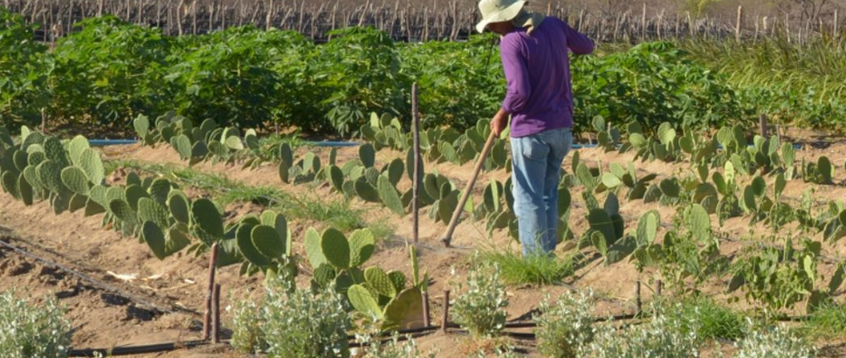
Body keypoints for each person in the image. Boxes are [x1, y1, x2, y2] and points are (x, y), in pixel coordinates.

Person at [476, 0, 594, 256]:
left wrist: (502, 113)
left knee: (529, 198)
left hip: (530, 132)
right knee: (548, 194)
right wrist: (555, 39)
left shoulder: (511, 41)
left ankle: (535, 262)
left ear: (505, 17)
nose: (493, 29)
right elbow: (586, 46)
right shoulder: (553, 25)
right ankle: (547, 256)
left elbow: (519, 91)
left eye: (493, 24)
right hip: (561, 128)